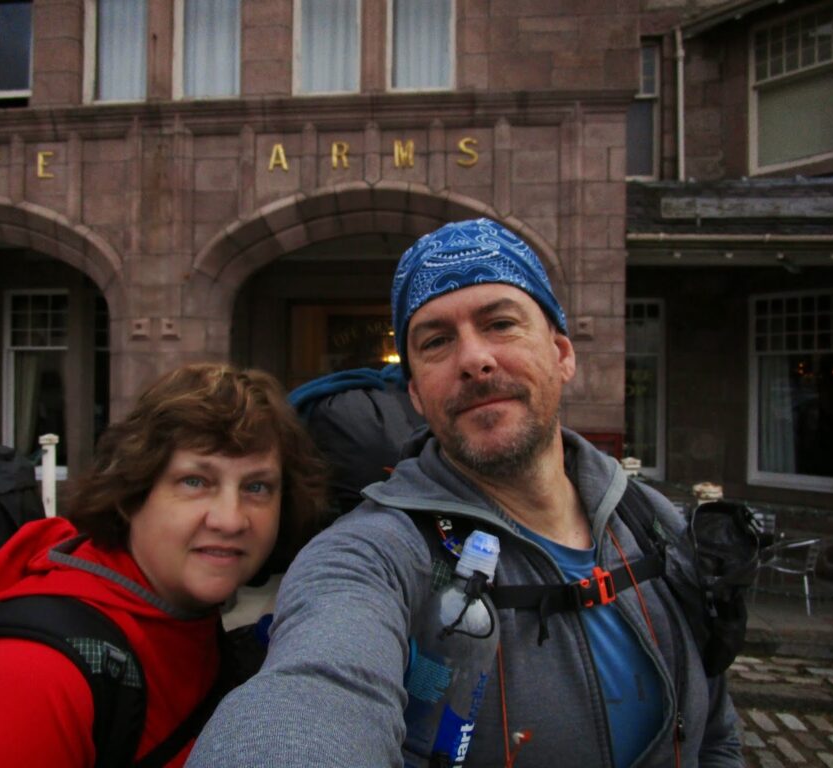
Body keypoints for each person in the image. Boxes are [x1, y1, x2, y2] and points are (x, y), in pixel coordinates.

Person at [186, 219, 742, 767]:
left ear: (563, 353)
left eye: (500, 323)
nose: (474, 360)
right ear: (416, 395)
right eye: (436, 341)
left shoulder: (654, 523)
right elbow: (316, 689)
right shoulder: (370, 556)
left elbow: (714, 733)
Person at [0, 363, 328, 768]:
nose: (230, 519)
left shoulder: (186, 624)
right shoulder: (30, 675)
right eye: (195, 482)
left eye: (257, 487)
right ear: (133, 493)